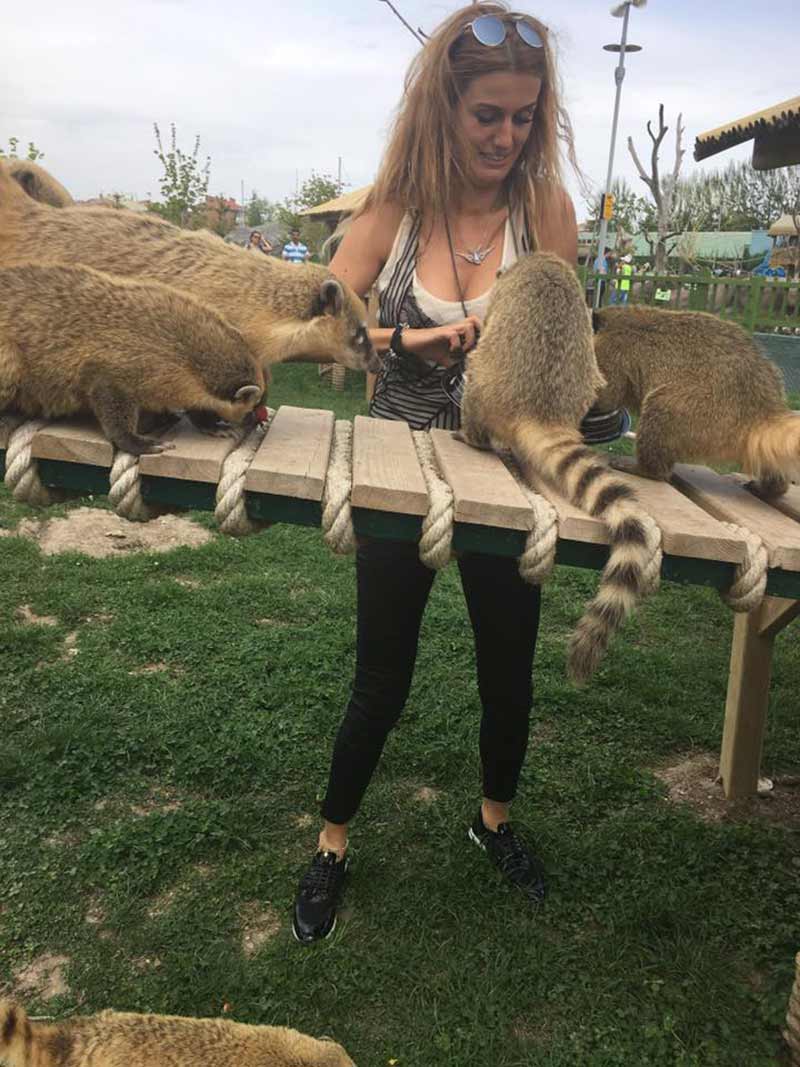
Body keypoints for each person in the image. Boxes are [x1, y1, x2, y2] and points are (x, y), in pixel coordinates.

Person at [291, 1, 580, 945]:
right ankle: (332, 842)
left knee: (510, 674)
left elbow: (561, 338)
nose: (506, 136)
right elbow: (325, 325)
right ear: (443, 108)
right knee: (381, 676)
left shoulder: (546, 214)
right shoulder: (395, 208)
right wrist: (411, 341)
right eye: (486, 114)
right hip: (400, 466)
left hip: (508, 470)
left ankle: (493, 821)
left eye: (523, 116)